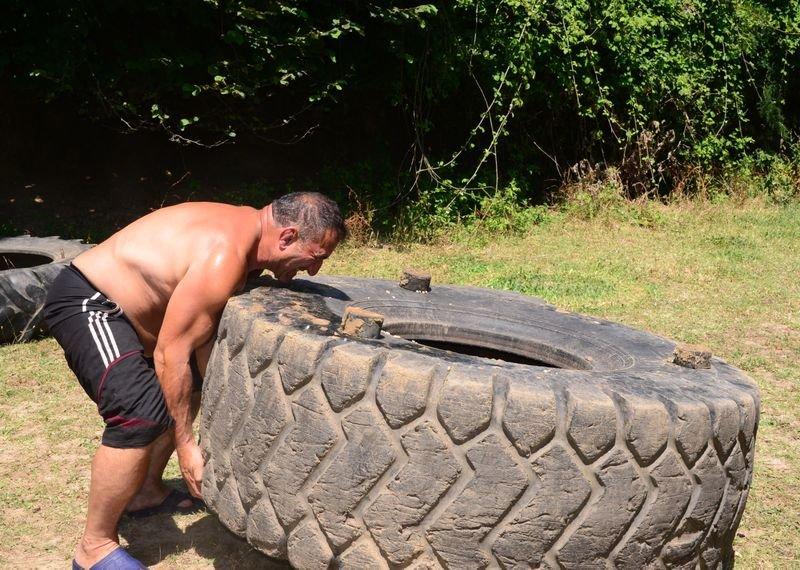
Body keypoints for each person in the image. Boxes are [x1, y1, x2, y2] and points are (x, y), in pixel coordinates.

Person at [43, 192, 346, 569]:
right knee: (139, 412)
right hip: (89, 301)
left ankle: (146, 493)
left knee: (192, 384)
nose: (314, 271)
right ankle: (94, 549)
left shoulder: (249, 237)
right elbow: (171, 355)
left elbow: (199, 346)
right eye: (315, 258)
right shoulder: (226, 256)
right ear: (286, 237)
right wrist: (187, 446)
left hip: (132, 313)